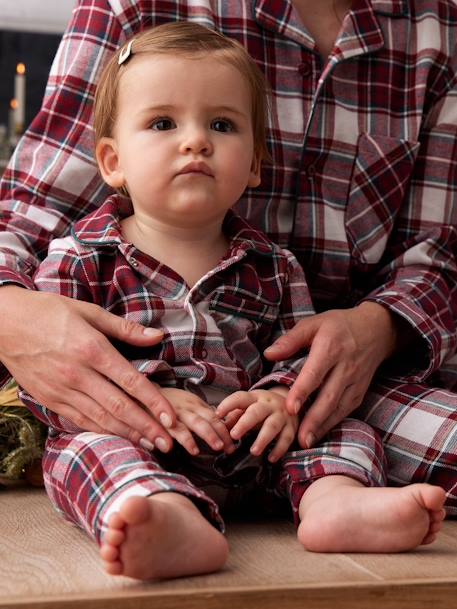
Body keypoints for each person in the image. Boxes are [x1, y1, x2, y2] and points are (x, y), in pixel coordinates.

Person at [0, 0, 456, 524]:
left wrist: (281, 398)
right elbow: (31, 226)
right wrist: (154, 392)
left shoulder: (274, 266)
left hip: (293, 415)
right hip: (141, 425)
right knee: (85, 449)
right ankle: (162, 515)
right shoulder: (82, 256)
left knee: (346, 433)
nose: (195, 141)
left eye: (221, 125)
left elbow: (301, 339)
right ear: (112, 160)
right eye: (163, 123)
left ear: (256, 163)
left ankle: (334, 504)